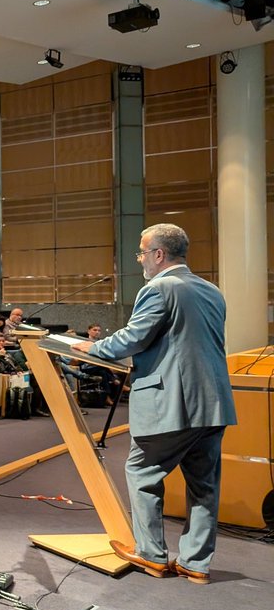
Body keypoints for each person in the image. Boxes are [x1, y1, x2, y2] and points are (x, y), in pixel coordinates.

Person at [71, 223, 235, 584]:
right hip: (214, 404)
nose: (140, 259)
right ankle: (195, 563)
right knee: (204, 485)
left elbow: (133, 337)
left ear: (158, 254)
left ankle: (152, 555)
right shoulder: (212, 291)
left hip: (172, 404)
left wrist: (93, 347)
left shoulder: (159, 288)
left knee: (143, 473)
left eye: (142, 252)